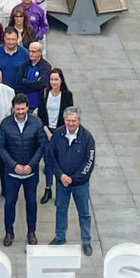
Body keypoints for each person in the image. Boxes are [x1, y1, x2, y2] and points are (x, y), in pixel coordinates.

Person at [48, 104, 95, 253]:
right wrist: (61, 175)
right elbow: (51, 156)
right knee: (61, 210)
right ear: (64, 120)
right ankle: (60, 236)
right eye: (68, 121)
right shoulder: (58, 135)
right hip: (62, 182)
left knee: (84, 213)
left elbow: (89, 162)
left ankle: (86, 241)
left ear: (79, 121)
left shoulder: (87, 138)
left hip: (80, 184)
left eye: (74, 121)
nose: (71, 123)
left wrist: (73, 179)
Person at [0, 91, 43, 245]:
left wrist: (31, 165)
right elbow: (1, 148)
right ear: (12, 109)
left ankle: (31, 232)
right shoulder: (5, 124)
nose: (20, 112)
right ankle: (9, 233)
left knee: (31, 203)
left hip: (31, 174)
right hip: (12, 175)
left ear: (27, 108)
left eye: (23, 109)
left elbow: (41, 146)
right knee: (10, 203)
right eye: (17, 109)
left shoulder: (36, 123)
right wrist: (14, 165)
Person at [38, 67, 74, 203]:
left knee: (61, 162)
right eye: (52, 79)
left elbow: (69, 114)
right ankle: (48, 188)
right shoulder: (45, 93)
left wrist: (60, 133)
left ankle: (61, 191)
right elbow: (41, 113)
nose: (54, 82)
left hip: (61, 132)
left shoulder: (67, 95)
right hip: (48, 131)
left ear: (61, 80)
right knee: (48, 161)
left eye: (56, 79)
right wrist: (47, 132)